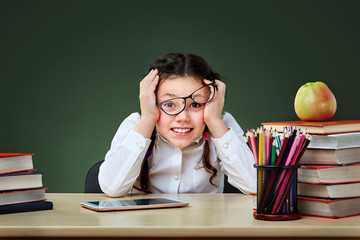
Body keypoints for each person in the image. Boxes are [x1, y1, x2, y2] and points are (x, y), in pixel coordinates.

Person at [99, 53, 256, 197]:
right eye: (169, 104)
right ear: (152, 102)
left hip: (203, 227)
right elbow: (112, 188)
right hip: (146, 226)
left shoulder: (220, 125)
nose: (183, 117)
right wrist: (148, 118)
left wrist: (214, 120)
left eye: (195, 105)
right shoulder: (136, 125)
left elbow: (255, 187)